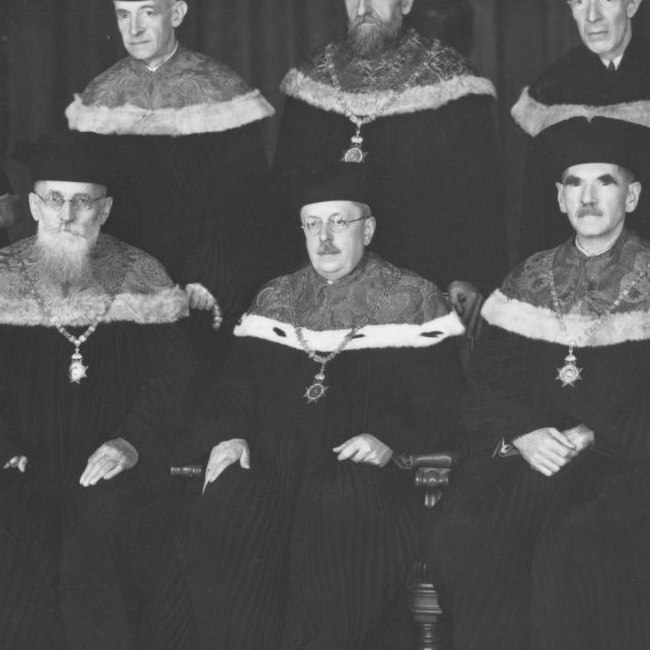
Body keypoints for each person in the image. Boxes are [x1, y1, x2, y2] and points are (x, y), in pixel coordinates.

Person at [174, 163, 466, 650]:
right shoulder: (276, 297)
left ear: (367, 230)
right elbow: (235, 388)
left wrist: (389, 439)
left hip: (363, 475)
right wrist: (229, 433)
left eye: (339, 222)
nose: (324, 238)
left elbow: (444, 402)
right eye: (312, 224)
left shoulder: (414, 299)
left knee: (335, 502)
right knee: (228, 498)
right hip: (277, 465)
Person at [428, 117, 650, 650]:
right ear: (559, 197)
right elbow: (486, 384)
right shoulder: (528, 278)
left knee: (573, 546)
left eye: (605, 182)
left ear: (632, 196)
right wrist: (524, 432)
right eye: (575, 183)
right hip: (528, 458)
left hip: (623, 466)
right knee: (469, 531)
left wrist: (592, 433)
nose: (588, 198)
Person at [0, 133, 193, 650]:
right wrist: (5, 448)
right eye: (54, 199)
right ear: (34, 207)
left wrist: (132, 441)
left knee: (97, 533)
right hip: (22, 463)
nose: (67, 215)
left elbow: (174, 378)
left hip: (115, 466)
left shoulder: (143, 273)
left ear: (103, 211)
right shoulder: (2, 274)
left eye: (82, 201)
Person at [66, 0, 287, 385]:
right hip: (121, 283)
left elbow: (247, 206)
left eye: (148, 12)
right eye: (123, 15)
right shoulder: (100, 96)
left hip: (201, 285)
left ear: (178, 14)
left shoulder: (220, 89)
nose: (134, 28)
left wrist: (211, 278)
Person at [274, 0, 507, 335]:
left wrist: (470, 276)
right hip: (324, 294)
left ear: (406, 3)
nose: (363, 8)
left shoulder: (453, 80)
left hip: (423, 293)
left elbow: (479, 200)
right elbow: (283, 198)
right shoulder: (309, 80)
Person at [512, 0, 650, 257]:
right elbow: (537, 216)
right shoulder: (551, 89)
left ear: (632, 5)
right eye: (579, 2)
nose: (592, 16)